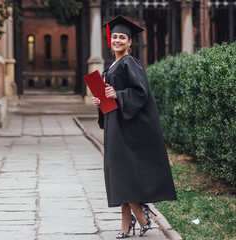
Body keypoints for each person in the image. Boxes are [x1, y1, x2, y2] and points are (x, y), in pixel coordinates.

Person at [92, 16, 177, 238]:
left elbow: (141, 93)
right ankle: (126, 222)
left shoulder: (129, 62)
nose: (117, 40)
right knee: (119, 172)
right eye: (114, 37)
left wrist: (117, 95)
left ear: (130, 42)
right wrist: (101, 101)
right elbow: (113, 96)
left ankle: (139, 214)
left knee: (122, 172)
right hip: (116, 123)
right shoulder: (113, 64)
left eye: (122, 37)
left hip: (128, 128)